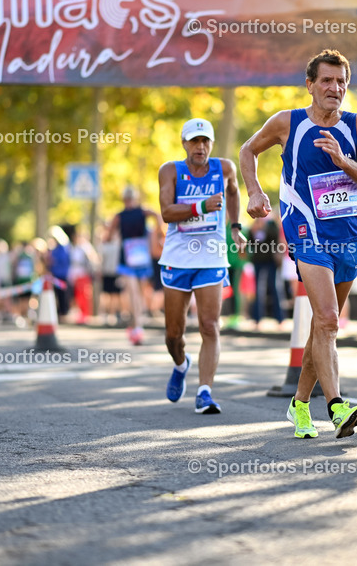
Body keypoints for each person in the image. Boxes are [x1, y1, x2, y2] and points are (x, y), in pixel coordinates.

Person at [240, 49, 357, 439]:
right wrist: (254, 192)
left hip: (348, 236)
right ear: (310, 85)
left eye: (341, 82)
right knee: (329, 320)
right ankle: (337, 407)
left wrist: (344, 161)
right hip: (306, 233)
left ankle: (299, 404)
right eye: (327, 81)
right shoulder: (288, 122)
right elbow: (248, 150)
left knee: (322, 326)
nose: (335, 88)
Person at [158, 117, 245, 414]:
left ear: (212, 143)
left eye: (205, 140)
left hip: (211, 256)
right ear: (184, 143)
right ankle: (180, 364)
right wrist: (201, 206)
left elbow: (233, 191)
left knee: (209, 325)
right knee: (173, 335)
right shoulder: (170, 170)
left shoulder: (225, 168)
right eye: (194, 141)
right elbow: (167, 212)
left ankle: (204, 392)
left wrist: (235, 227)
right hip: (177, 259)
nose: (200, 146)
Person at [104, 187, 164, 345]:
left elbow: (108, 236)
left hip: (129, 257)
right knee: (138, 294)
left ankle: (136, 325)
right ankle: (138, 326)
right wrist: (158, 233)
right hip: (140, 255)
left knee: (135, 294)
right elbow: (157, 216)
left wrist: (111, 237)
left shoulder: (120, 216)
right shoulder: (142, 212)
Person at [249, 213, 286, 327]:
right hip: (258, 260)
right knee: (258, 289)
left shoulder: (271, 224)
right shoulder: (254, 225)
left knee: (275, 287)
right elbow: (251, 242)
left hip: (271, 260)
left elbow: (275, 239)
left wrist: (264, 228)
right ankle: (257, 319)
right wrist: (254, 231)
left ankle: (280, 319)